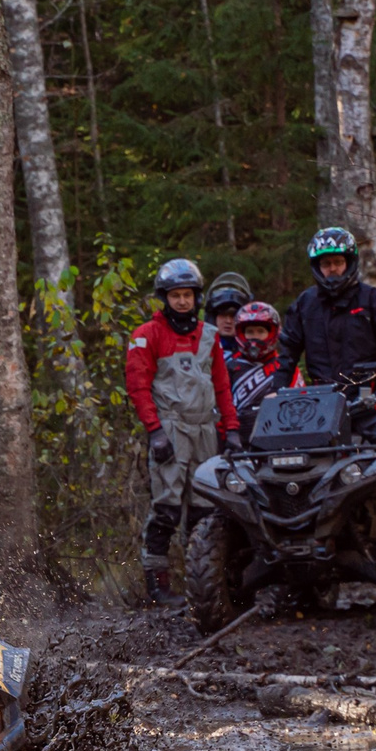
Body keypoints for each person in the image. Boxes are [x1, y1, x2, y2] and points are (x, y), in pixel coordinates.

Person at [125, 258, 242, 608]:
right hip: (171, 428)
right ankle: (158, 587)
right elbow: (138, 387)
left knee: (206, 510)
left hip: (206, 428)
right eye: (175, 295)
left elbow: (223, 387)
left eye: (187, 294)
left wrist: (232, 430)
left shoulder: (209, 336)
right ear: (165, 297)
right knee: (168, 509)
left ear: (196, 296)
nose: (181, 301)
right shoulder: (147, 336)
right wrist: (155, 432)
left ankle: (205, 586)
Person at [281, 227, 376, 404]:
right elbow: (288, 351)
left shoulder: (373, 299)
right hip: (323, 401)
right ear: (318, 267)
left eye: (338, 262)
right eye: (326, 264)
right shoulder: (305, 304)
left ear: (348, 263)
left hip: (371, 397)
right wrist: (276, 389)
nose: (333, 269)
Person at [223, 301, 290, 423]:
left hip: (276, 429)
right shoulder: (231, 366)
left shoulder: (285, 367)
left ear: (271, 333)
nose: (255, 337)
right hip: (239, 432)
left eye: (260, 331)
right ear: (242, 334)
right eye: (250, 332)